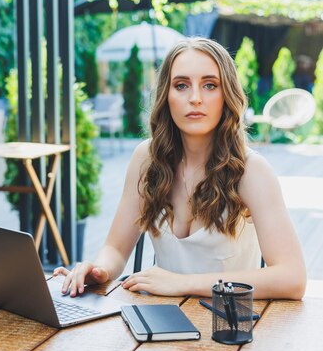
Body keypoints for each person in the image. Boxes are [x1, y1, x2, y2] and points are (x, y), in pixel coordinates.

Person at [54, 37, 306, 300]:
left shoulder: (251, 171)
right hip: (159, 325)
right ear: (166, 95)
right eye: (181, 85)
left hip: (226, 329)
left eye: (210, 85)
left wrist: (184, 284)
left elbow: (292, 277)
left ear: (227, 95)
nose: (195, 98)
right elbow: (115, 249)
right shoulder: (147, 159)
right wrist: (99, 269)